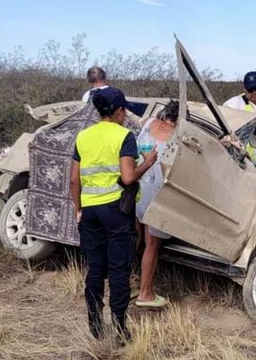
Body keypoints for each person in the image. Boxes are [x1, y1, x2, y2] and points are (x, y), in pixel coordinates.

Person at [69, 87, 157, 340]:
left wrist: (78, 210)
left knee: (95, 271)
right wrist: (147, 163)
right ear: (119, 111)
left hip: (90, 212)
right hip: (117, 211)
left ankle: (96, 326)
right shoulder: (124, 136)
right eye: (123, 111)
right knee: (119, 272)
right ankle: (120, 327)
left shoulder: (83, 137)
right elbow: (128, 176)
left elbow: (74, 180)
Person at [134, 101, 180, 308]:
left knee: (136, 240)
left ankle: (128, 284)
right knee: (152, 244)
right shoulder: (177, 137)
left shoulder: (147, 124)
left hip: (138, 187)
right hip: (158, 193)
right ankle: (145, 292)